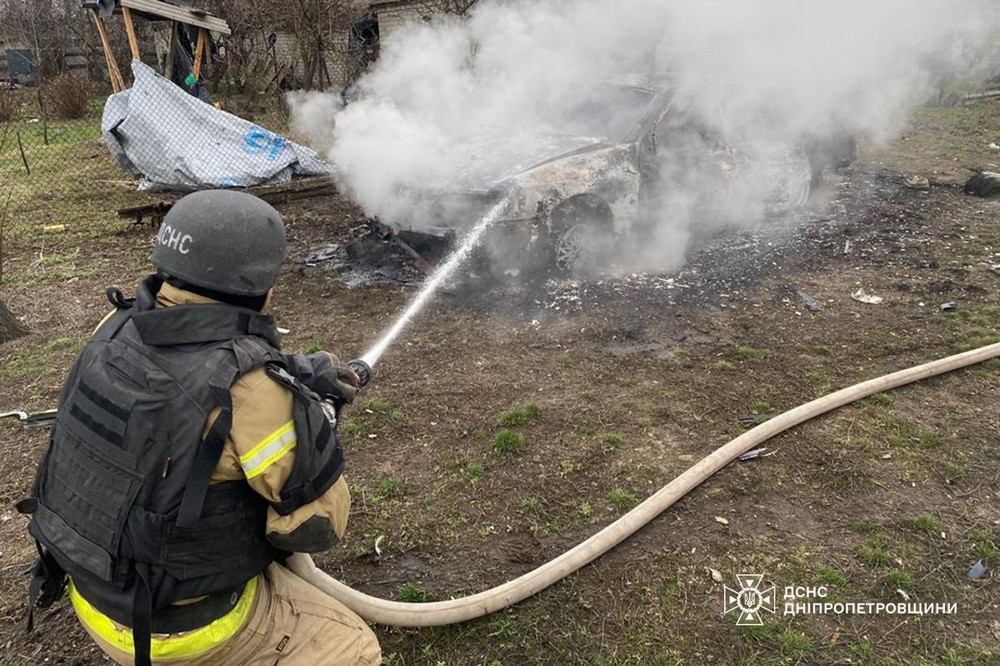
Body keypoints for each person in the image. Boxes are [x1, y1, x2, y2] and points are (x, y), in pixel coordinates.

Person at [19, 190, 381, 666]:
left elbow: (184, 367)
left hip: (91, 584)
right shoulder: (252, 395)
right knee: (353, 647)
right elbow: (314, 529)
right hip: (172, 629)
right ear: (265, 289)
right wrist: (315, 424)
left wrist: (290, 374)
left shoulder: (115, 326)